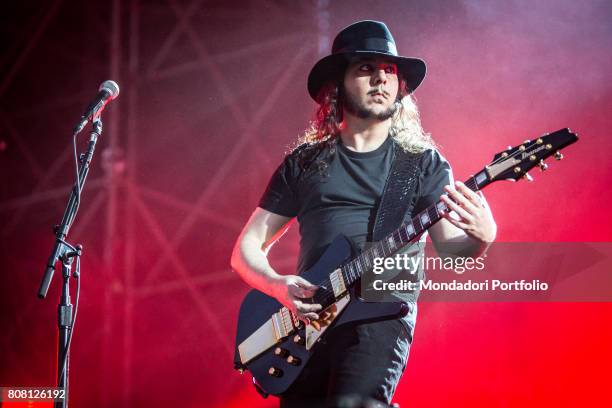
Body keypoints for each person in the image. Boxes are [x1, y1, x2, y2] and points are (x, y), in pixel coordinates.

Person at [231, 20, 496, 407]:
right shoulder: (305, 163)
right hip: (309, 323)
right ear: (337, 85)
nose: (381, 79)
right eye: (366, 69)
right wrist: (277, 286)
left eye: (389, 71)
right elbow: (245, 249)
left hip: (380, 314)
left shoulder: (421, 164)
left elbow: (452, 251)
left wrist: (482, 236)